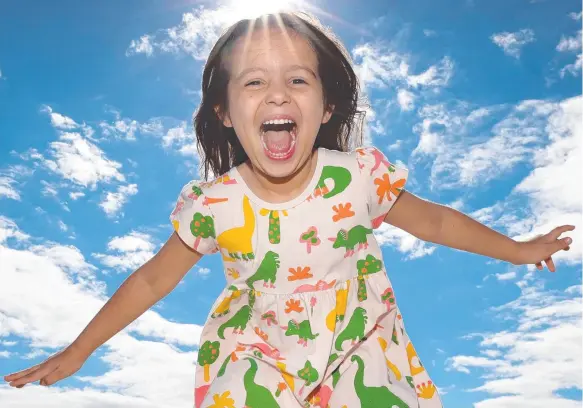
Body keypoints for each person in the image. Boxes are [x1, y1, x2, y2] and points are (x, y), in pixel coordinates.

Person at [4, 11, 574, 408]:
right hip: (256, 349)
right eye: (254, 82)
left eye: (297, 80)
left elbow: (437, 222)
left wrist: (519, 250)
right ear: (226, 113)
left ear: (326, 105)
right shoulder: (214, 205)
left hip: (358, 342)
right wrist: (80, 350)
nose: (277, 94)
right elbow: (152, 280)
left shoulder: (353, 178)